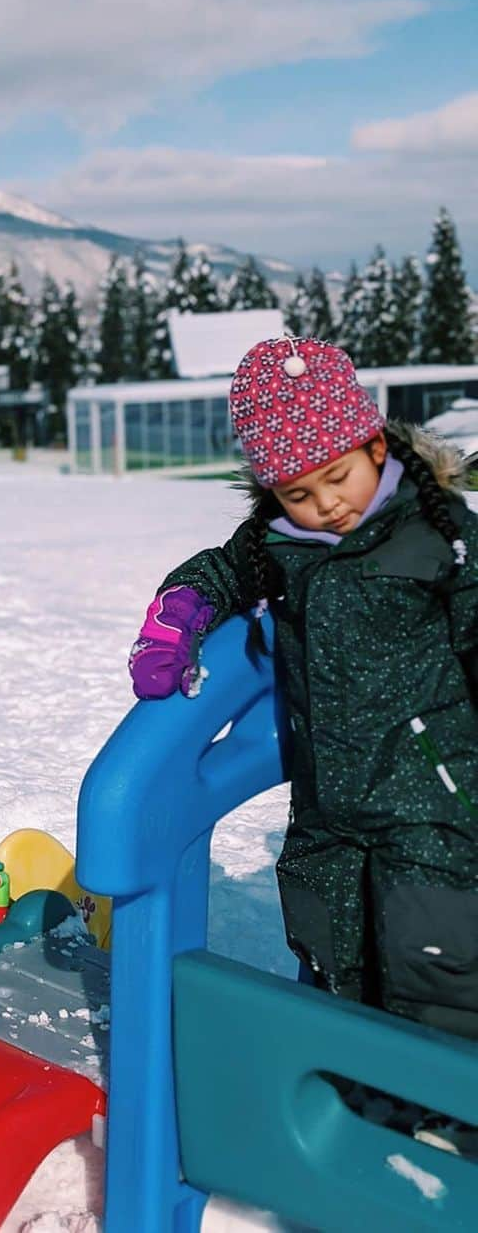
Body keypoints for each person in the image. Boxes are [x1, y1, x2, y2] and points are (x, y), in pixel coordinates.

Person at [129, 338, 478, 1043]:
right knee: (332, 954)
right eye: (297, 493)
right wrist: (179, 613)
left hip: (431, 804)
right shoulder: (279, 543)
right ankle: (350, 1099)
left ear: (374, 446)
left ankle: (445, 1123)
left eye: (336, 477)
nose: (327, 505)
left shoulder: (440, 537)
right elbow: (220, 571)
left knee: (435, 964)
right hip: (328, 810)